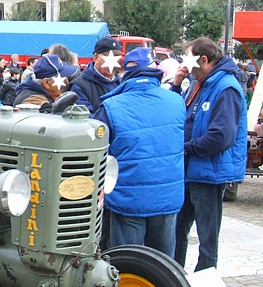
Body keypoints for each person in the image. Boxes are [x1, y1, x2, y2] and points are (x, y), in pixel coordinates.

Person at [92, 48, 186, 257]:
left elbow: (95, 151)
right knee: (163, 266)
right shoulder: (176, 101)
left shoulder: (111, 106)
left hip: (128, 197)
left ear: (126, 73)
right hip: (167, 197)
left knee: (126, 262)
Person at [170, 37, 247, 271]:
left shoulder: (226, 88)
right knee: (176, 231)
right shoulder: (198, 82)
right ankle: (175, 284)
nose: (185, 65)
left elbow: (221, 137)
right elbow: (179, 115)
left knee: (207, 241)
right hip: (190, 171)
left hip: (209, 174)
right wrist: (176, 84)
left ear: (204, 60)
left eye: (189, 60)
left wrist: (186, 148)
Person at [70, 36, 123, 112]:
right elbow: (85, 117)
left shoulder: (122, 83)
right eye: (109, 57)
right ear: (96, 57)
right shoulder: (79, 85)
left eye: (117, 57)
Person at [12, 53, 79, 108]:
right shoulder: (33, 100)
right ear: (46, 83)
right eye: (62, 77)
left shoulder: (45, 94)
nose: (66, 80)